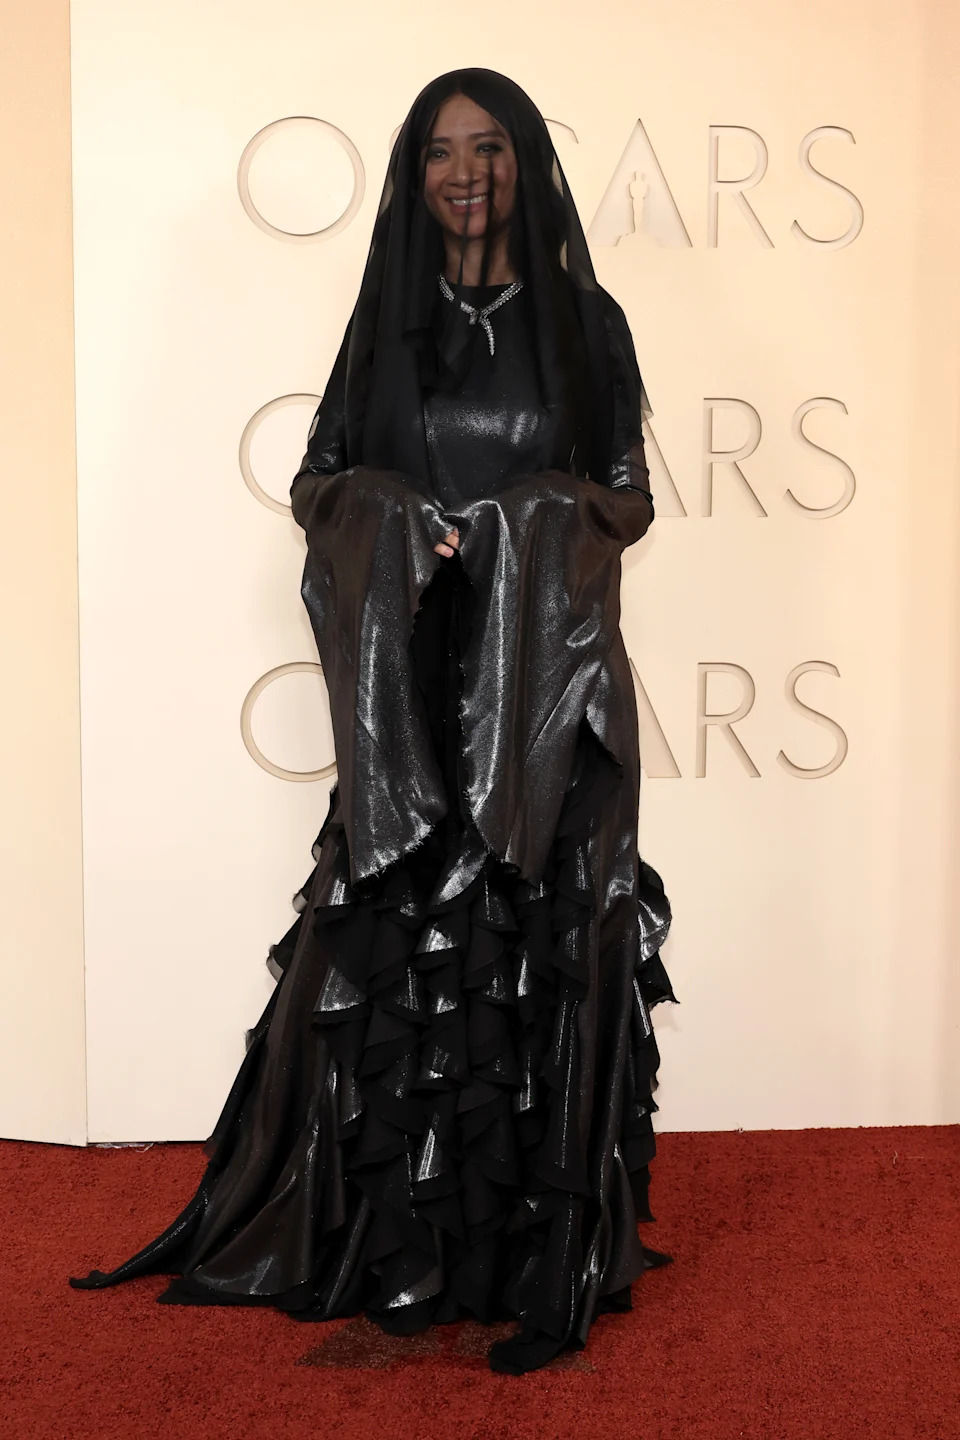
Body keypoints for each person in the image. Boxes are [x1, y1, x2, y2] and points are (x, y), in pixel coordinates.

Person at [69, 66, 676, 1376]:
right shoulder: (386, 328)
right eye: (440, 150)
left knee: (546, 954)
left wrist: (518, 524)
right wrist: (401, 520)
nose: (466, 169)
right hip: (411, 703)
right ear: (414, 175)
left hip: (545, 702)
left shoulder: (589, 324)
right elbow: (317, 481)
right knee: (410, 963)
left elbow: (626, 498)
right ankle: (409, 1255)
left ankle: (540, 1260)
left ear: (525, 164)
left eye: (489, 147)